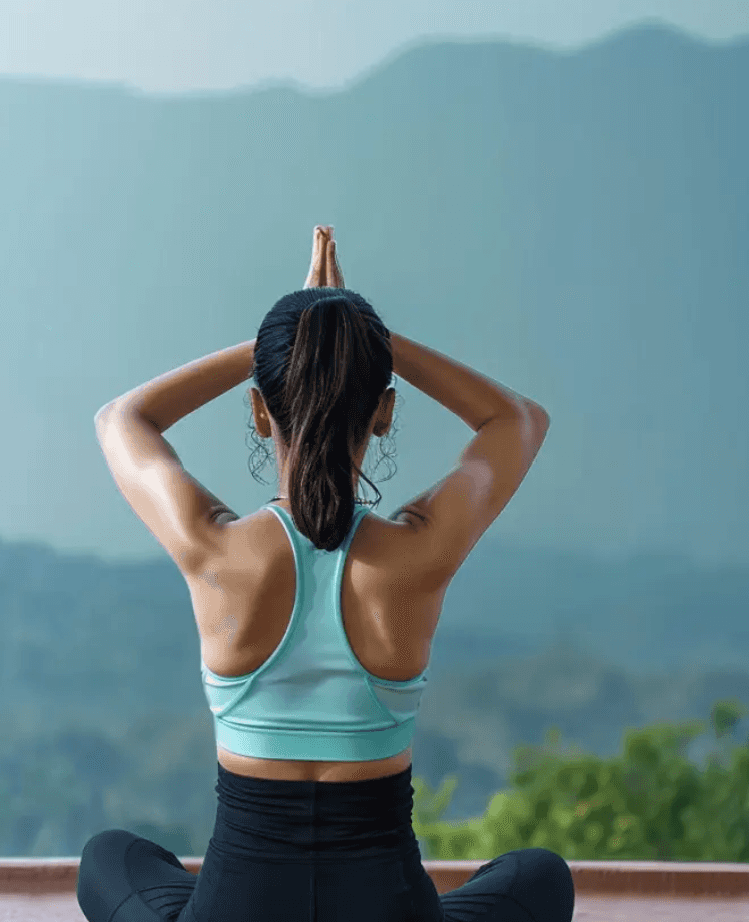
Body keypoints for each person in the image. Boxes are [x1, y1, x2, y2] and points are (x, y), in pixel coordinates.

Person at [82, 226, 572, 922]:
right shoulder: (419, 552)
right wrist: (358, 339)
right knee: (538, 875)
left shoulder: (214, 550)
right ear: (385, 411)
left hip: (233, 914)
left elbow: (121, 418)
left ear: (258, 410)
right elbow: (517, 419)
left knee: (113, 857)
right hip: (392, 914)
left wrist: (297, 339)